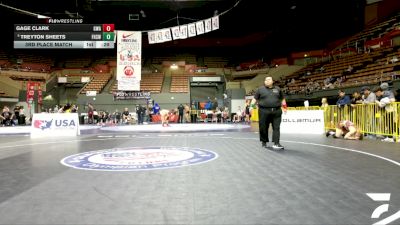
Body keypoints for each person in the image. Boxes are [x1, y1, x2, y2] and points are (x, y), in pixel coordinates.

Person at [251, 76, 287, 149]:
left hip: (276, 111)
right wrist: (251, 106)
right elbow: (254, 99)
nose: (267, 81)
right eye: (265, 80)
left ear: (272, 81)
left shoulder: (278, 89)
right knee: (263, 127)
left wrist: (285, 107)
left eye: (269, 79)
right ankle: (264, 142)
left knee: (276, 127)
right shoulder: (260, 89)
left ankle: (276, 143)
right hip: (263, 111)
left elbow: (282, 99)